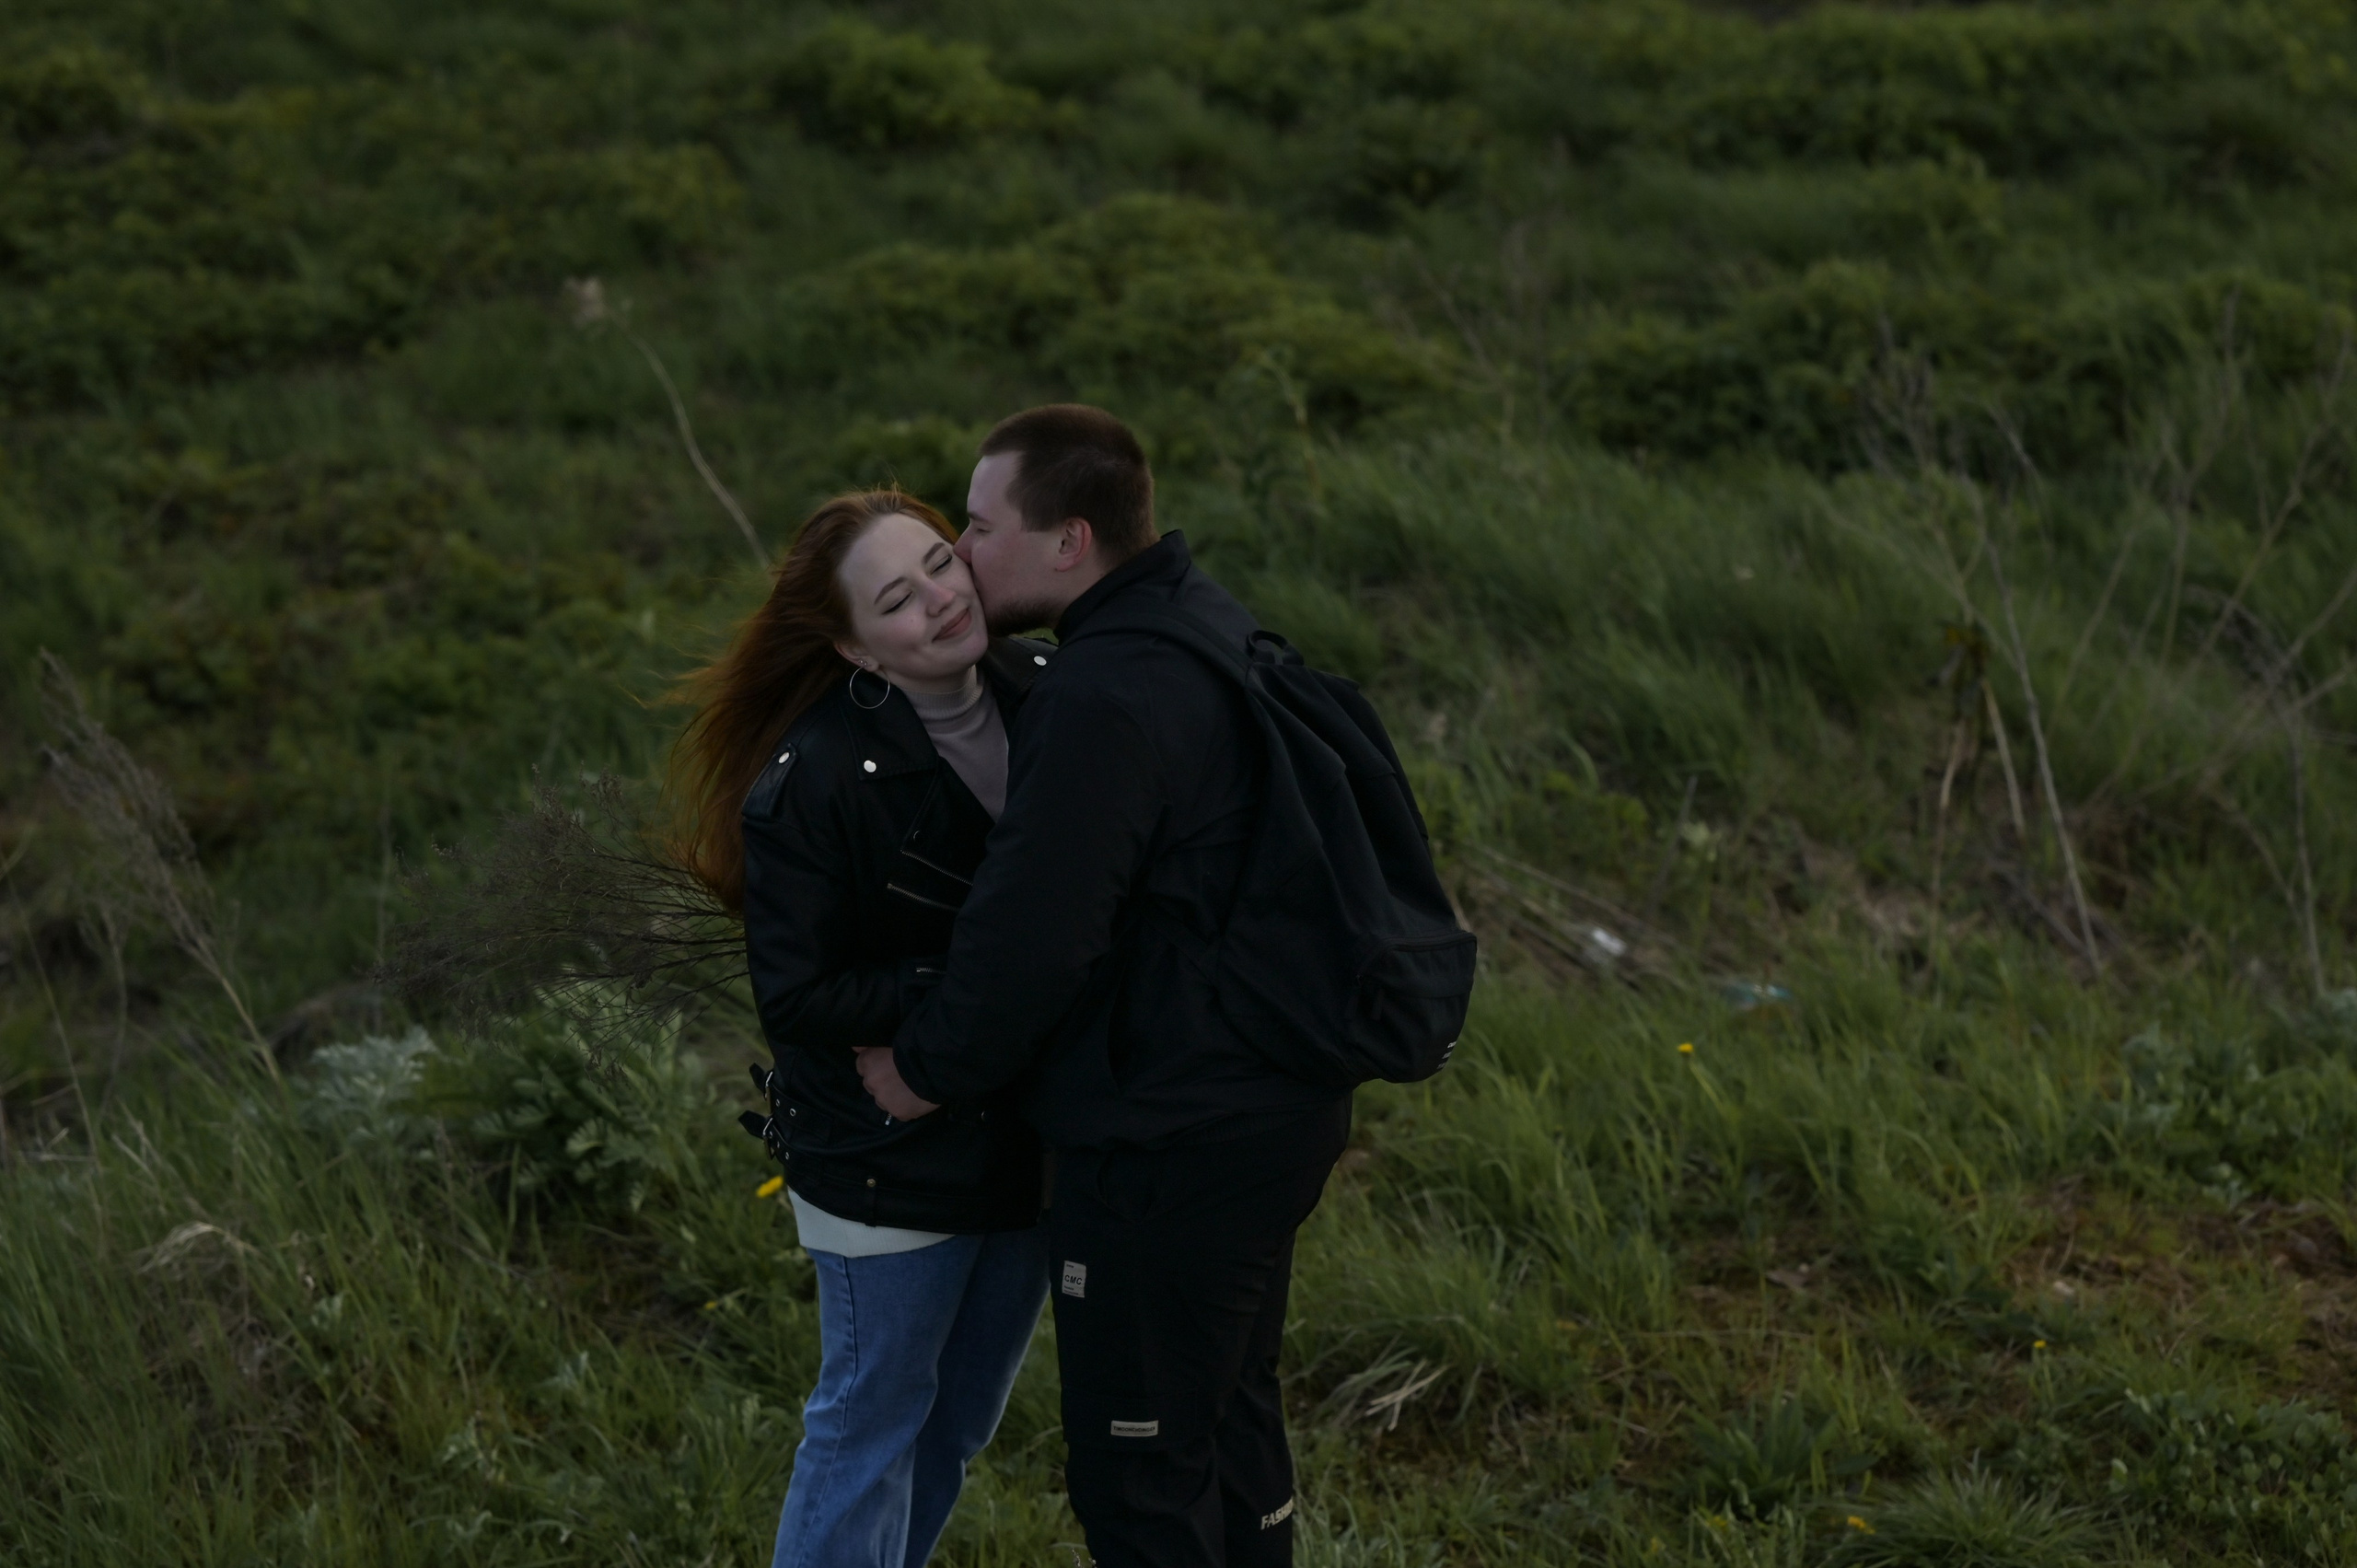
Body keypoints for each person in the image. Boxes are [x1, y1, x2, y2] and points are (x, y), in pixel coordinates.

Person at [855, 406, 1353, 1567]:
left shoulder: (1103, 695)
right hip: (1272, 1108)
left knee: (1142, 1471)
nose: (962, 555)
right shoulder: (1202, 620)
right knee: (1229, 1414)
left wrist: (923, 1068)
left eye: (978, 527)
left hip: (1168, 1140)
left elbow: (1035, 933)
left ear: (1068, 540)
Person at [667, 489, 1052, 1568]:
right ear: (850, 646)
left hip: (1021, 1133)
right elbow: (799, 996)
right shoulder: (813, 781)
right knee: (871, 1420)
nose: (940, 599)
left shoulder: (1048, 692)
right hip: (886, 1155)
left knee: (957, 1422)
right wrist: (970, 985)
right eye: (897, 597)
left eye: (941, 561)